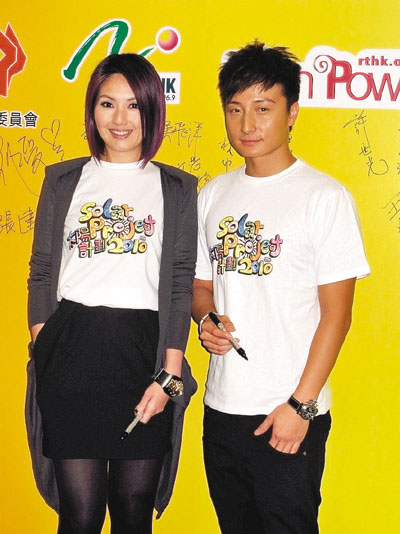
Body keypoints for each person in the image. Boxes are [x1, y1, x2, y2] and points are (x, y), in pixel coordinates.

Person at [192, 42, 370, 534]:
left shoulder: (325, 197)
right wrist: (206, 319)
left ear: (292, 113)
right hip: (222, 409)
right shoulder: (213, 194)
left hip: (288, 412)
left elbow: (337, 314)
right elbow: (201, 287)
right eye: (235, 110)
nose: (247, 125)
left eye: (263, 109)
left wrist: (300, 406)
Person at [26, 53, 197, 534]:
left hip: (144, 357)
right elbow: (41, 270)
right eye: (107, 104)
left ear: (152, 110)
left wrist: (168, 375)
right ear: (92, 109)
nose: (120, 119)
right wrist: (44, 344)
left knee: (133, 508)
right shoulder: (62, 180)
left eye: (133, 105)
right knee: (79, 515)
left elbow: (180, 282)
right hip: (70, 353)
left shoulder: (176, 188)